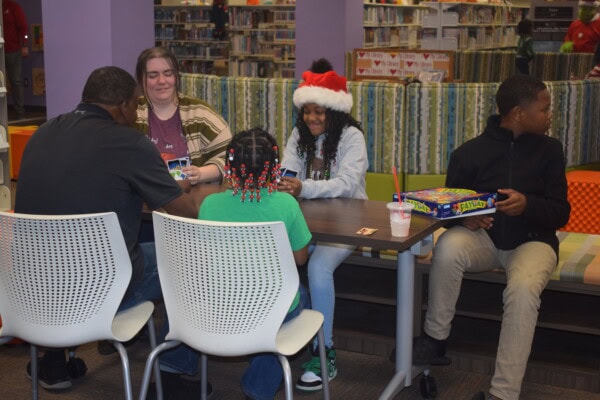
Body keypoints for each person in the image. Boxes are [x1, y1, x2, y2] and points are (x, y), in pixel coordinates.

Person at [14, 66, 199, 395]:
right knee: (186, 257)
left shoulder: (43, 132)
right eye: (136, 106)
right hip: (100, 290)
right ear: (124, 105)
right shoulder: (129, 143)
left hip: (35, 288)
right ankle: (174, 372)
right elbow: (187, 213)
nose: (136, 115)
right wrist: (177, 188)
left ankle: (55, 358)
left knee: (68, 252)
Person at [412, 75, 571, 400]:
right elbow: (447, 207)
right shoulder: (469, 154)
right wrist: (464, 217)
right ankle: (435, 339)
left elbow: (560, 212)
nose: (549, 115)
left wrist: (528, 205)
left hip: (534, 242)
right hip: (484, 241)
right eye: (544, 109)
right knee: (449, 247)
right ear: (518, 113)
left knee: (524, 290)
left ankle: (502, 394)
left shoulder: (551, 151)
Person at [198, 128, 312, 400]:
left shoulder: (209, 204)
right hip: (269, 308)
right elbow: (301, 259)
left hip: (218, 305)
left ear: (229, 167)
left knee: (265, 305)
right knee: (301, 296)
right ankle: (259, 386)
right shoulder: (286, 204)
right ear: (274, 168)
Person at [277, 58, 368, 392]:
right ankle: (287, 333)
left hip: (348, 223)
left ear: (335, 111)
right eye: (307, 111)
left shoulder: (351, 137)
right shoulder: (298, 135)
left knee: (317, 269)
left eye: (319, 112)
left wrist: (303, 187)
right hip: (306, 220)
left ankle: (324, 348)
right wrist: (286, 181)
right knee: (280, 259)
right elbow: (288, 171)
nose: (312, 118)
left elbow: (346, 183)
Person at [135, 46, 232, 186]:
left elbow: (230, 158)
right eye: (153, 75)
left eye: (168, 74)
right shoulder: (131, 114)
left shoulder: (200, 114)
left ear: (176, 77)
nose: (161, 81)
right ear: (141, 79)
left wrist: (200, 174)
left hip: (193, 201)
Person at [2, 0, 28, 120]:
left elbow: (23, 27)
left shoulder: (13, 7)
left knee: (16, 81)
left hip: (12, 50)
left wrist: (25, 44)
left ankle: (20, 113)